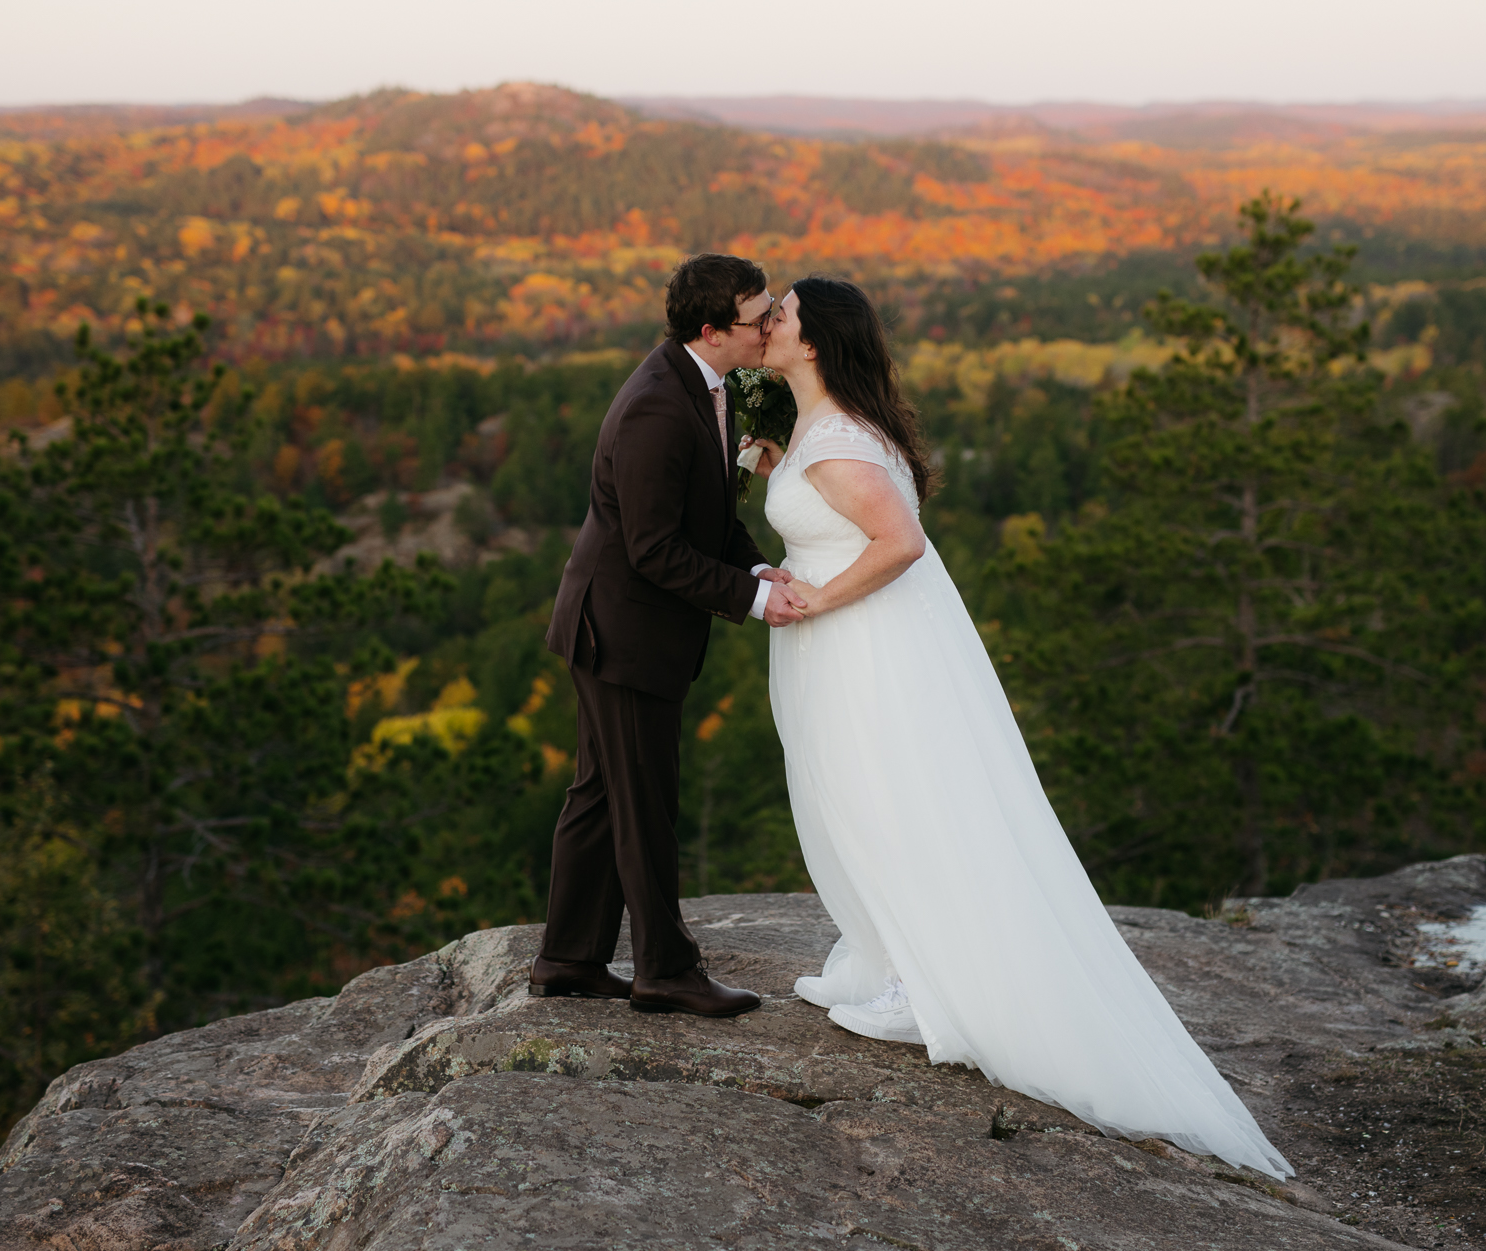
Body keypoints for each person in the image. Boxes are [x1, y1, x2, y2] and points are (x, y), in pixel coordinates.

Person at [739, 275, 1294, 1178]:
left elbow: (900, 544)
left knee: (886, 799)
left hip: (864, 646)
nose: (770, 321)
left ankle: (925, 983)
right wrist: (774, 467)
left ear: (815, 341)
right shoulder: (818, 427)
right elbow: (834, 505)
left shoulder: (838, 441)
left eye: (785, 312)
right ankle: (887, 954)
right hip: (842, 647)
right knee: (850, 798)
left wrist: (814, 602)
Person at [535, 253, 807, 1017]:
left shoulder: (705, 384)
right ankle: (664, 968)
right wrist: (750, 605)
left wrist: (758, 569)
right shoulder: (659, 404)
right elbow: (653, 549)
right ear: (713, 329)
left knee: (600, 794)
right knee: (642, 799)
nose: (771, 328)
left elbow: (711, 518)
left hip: (624, 627)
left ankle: (568, 957)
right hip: (620, 635)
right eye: (760, 319)